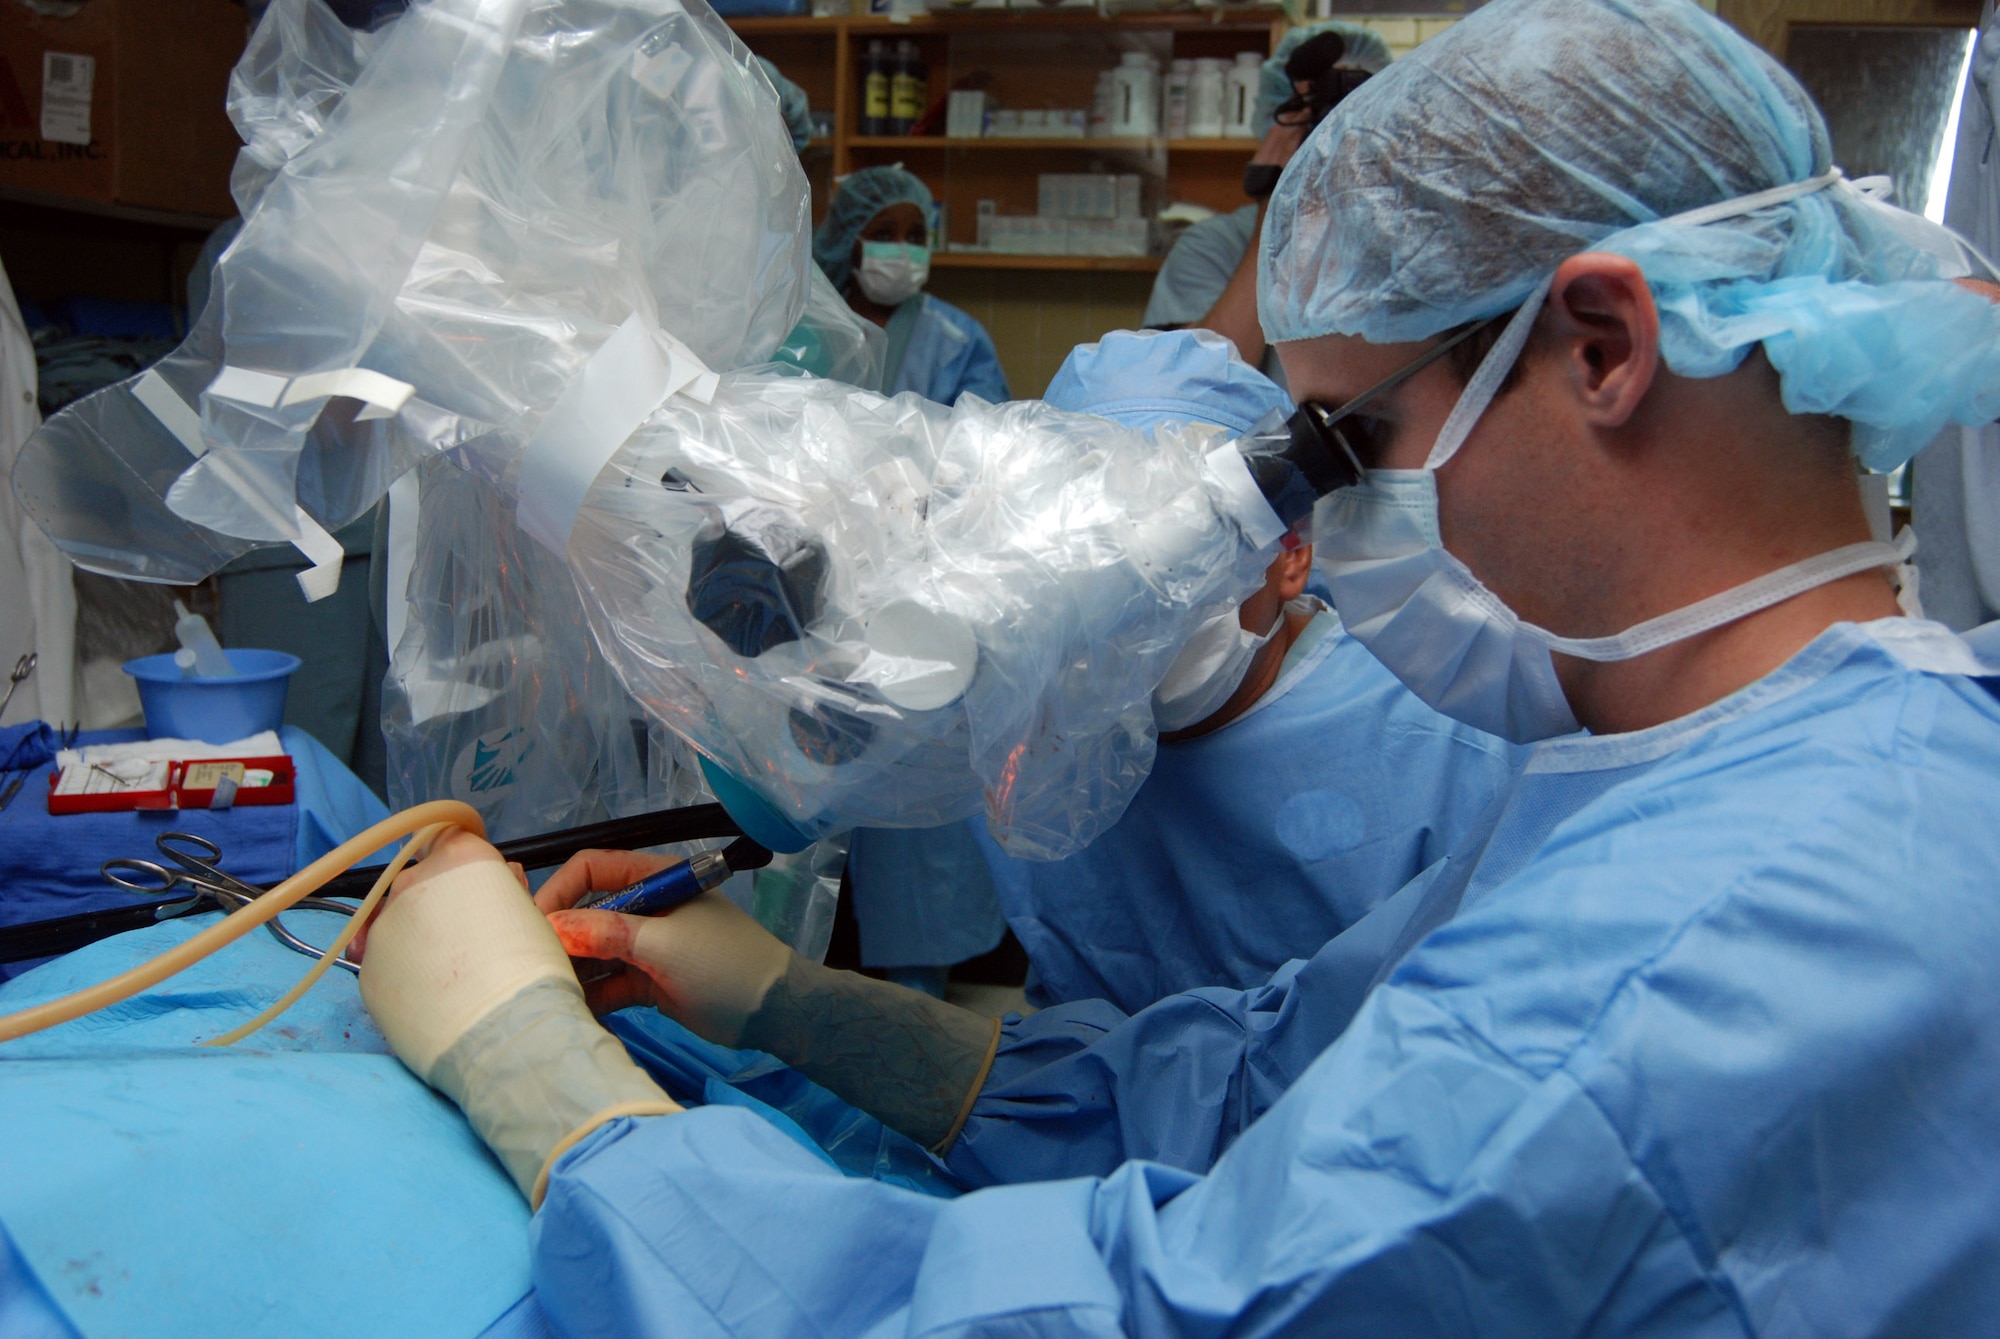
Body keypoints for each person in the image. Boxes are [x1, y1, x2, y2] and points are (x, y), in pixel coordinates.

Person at [359, 0, 2000, 1331]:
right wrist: (798, 1001)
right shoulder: (1733, 779)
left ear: (1603, 347)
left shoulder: (1724, 930)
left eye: (1353, 437)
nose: (1327, 530)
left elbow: (1184, 1303)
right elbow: (1268, 1082)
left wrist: (557, 1096)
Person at [979, 327, 1526, 1011]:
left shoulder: (1444, 752)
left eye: (1189, 557)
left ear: (1292, 552)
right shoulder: (1021, 748)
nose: (1143, 608)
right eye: (1096, 551)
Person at [1142, 21, 1390, 386]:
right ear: (1279, 124)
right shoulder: (1214, 246)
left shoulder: (1403, 247)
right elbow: (1195, 389)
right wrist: (1274, 218)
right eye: (1319, 118)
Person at [811, 165, 1009, 407]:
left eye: (915, 237)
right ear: (847, 240)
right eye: (884, 235)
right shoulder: (816, 326)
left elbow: (982, 431)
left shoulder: (957, 340)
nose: (903, 251)